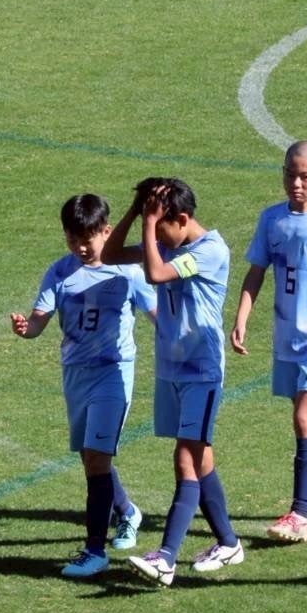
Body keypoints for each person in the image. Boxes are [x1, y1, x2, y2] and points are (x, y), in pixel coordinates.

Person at [9, 194, 156, 578]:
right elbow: (39, 320)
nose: (81, 247)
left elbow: (158, 314)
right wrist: (26, 329)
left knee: (96, 457)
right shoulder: (60, 271)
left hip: (113, 372)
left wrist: (183, 340)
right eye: (73, 239)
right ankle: (128, 511)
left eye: (88, 238)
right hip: (75, 374)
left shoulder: (127, 272)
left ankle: (94, 551)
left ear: (106, 231)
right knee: (91, 457)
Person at [106, 178, 243, 587]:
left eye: (160, 224)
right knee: (201, 461)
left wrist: (149, 225)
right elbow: (110, 254)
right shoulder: (166, 243)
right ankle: (229, 543)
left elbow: (155, 274)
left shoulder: (209, 251)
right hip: (171, 370)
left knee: (185, 458)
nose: (155, 233)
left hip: (202, 371)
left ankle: (166, 558)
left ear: (182, 219)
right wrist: (137, 213)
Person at [230, 140, 307, 543]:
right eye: (290, 175)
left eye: (305, 176)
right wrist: (242, 317)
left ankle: (299, 512)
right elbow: (256, 271)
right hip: (286, 337)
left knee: (305, 418)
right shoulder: (272, 219)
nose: (296, 183)